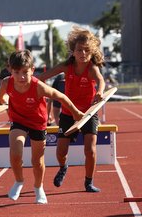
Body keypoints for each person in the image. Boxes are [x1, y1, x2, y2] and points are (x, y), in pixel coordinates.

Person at [0, 50, 84, 204]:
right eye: (17, 72)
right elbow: (1, 96)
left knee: (37, 160)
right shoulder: (6, 82)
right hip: (18, 121)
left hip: (38, 123)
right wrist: (0, 101)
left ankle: (38, 187)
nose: (21, 77)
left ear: (32, 70)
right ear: (10, 70)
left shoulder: (38, 87)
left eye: (25, 72)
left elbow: (61, 97)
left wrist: (76, 113)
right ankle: (19, 181)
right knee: (15, 152)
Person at [37, 25, 106, 192]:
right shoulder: (66, 66)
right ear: (73, 51)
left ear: (92, 52)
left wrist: (100, 92)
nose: (83, 54)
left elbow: (101, 81)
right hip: (68, 114)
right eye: (79, 50)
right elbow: (42, 77)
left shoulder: (92, 68)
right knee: (61, 151)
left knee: (90, 149)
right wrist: (26, 84)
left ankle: (88, 182)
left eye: (86, 51)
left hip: (88, 114)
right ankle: (63, 166)